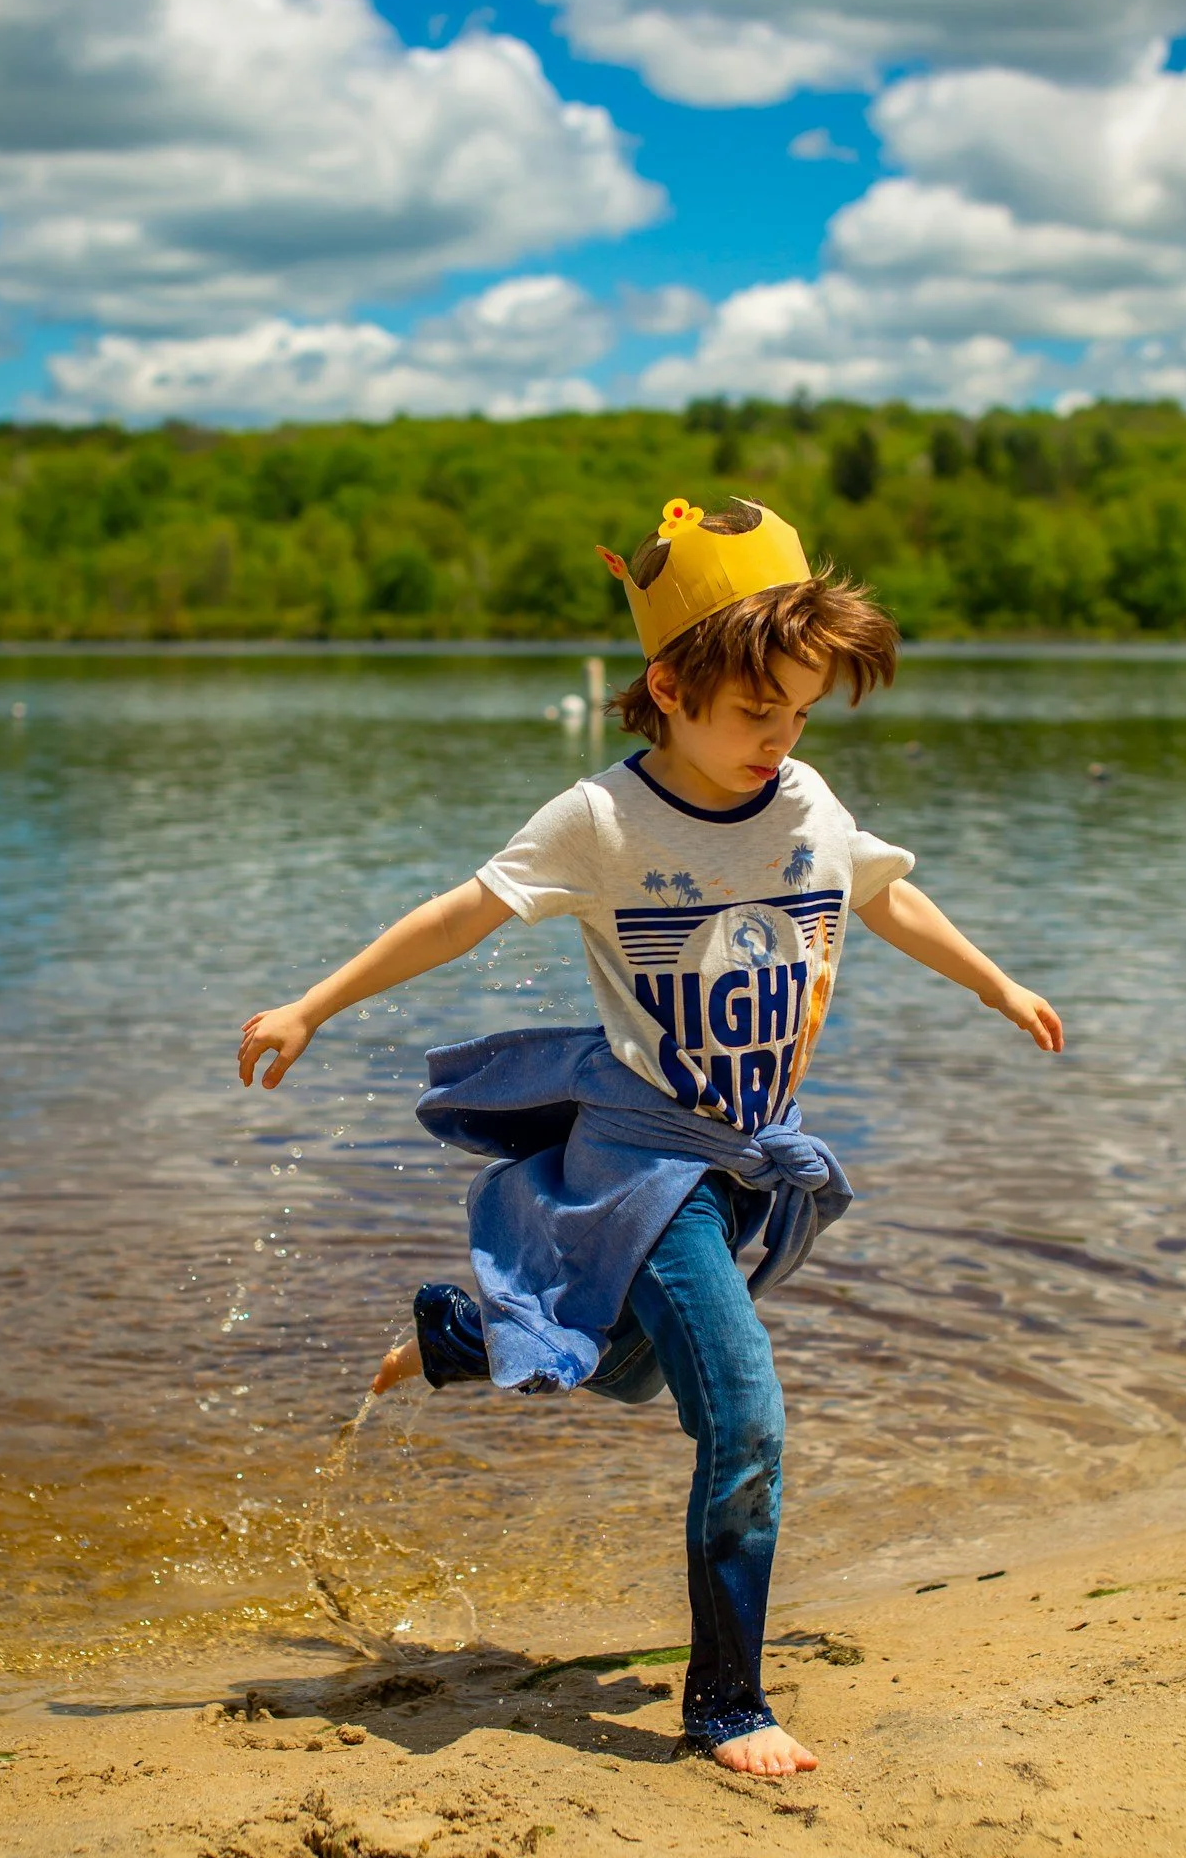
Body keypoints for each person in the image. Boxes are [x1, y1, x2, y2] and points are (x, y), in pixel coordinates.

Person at [239, 497, 1063, 1779]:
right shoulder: (603, 822)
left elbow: (884, 892)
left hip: (748, 1163)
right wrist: (311, 1005)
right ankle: (725, 1701)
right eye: (754, 713)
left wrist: (994, 984)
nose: (777, 739)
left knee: (634, 1374)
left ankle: (462, 1337)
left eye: (798, 712)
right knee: (745, 1416)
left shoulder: (803, 801)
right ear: (668, 688)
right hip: (646, 1162)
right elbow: (461, 914)